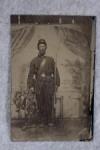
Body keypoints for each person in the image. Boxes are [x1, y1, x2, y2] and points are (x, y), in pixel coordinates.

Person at [27, 39, 60, 127]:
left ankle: (49, 120)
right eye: (40, 46)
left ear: (46, 48)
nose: (42, 48)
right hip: (38, 84)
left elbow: (56, 72)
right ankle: (42, 121)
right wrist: (31, 86)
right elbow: (30, 74)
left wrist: (56, 83)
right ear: (38, 48)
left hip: (49, 84)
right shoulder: (34, 61)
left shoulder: (50, 59)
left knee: (49, 102)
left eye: (43, 46)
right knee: (40, 103)